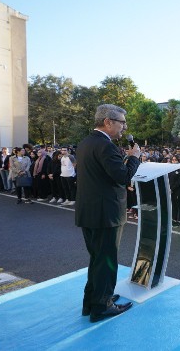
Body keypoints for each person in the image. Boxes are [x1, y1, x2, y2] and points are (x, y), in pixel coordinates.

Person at [75, 104, 140, 323]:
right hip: (106, 214)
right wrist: (134, 158)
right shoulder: (106, 146)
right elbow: (122, 176)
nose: (125, 127)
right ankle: (102, 307)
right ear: (108, 122)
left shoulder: (86, 143)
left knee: (97, 259)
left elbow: (103, 175)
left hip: (90, 212)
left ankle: (92, 301)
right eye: (122, 122)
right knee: (107, 261)